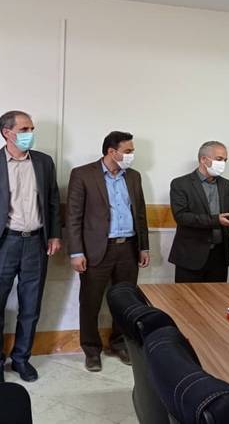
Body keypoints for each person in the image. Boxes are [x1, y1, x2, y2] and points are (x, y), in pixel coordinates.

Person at [0, 110, 62, 382]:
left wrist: (55, 235)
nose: (30, 134)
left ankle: (21, 359)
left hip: (36, 244)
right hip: (1, 244)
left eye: (31, 129)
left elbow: (53, 202)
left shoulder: (44, 162)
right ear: (7, 133)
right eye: (24, 129)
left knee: (30, 307)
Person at [67, 131, 150, 372]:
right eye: (128, 151)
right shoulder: (83, 174)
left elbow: (140, 213)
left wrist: (144, 247)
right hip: (96, 250)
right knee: (90, 302)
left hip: (128, 248)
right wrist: (76, 252)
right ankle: (91, 350)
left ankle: (120, 343)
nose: (132, 155)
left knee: (125, 302)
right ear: (112, 152)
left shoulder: (133, 176)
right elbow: (73, 217)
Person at [168, 141, 229, 283]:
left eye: (225, 160)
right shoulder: (180, 184)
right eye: (219, 159)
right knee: (187, 296)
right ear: (203, 159)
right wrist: (217, 220)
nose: (223, 164)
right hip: (191, 256)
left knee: (217, 297)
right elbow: (181, 217)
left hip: (219, 256)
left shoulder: (226, 184)